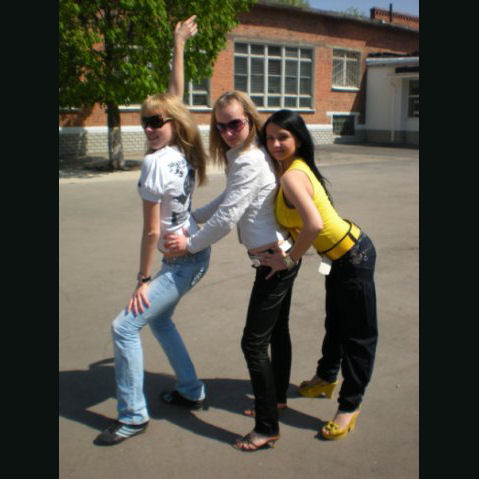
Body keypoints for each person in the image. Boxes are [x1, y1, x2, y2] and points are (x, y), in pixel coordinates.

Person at [94, 16, 212, 447]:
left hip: (180, 261)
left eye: (155, 122)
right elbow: (174, 95)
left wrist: (143, 280)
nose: (149, 128)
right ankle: (191, 389)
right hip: (193, 254)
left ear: (171, 123)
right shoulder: (181, 145)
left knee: (124, 327)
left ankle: (132, 415)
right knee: (160, 321)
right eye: (144, 121)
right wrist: (178, 43)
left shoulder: (154, 162)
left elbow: (149, 232)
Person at [164, 91, 301, 451]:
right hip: (281, 254)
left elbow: (228, 217)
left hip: (274, 261)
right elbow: (230, 198)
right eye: (220, 126)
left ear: (250, 120)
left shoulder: (248, 160)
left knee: (252, 343)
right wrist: (194, 216)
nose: (227, 132)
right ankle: (277, 399)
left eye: (235, 124)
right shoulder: (247, 154)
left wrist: (189, 243)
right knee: (277, 331)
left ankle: (267, 427)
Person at [258, 109, 378, 441]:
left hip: (354, 256)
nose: (275, 144)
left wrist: (289, 260)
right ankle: (326, 377)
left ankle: (350, 405)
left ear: (298, 139)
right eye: (269, 138)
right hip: (338, 259)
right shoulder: (290, 169)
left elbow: (313, 225)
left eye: (283, 137)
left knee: (358, 335)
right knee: (335, 323)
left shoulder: (292, 176)